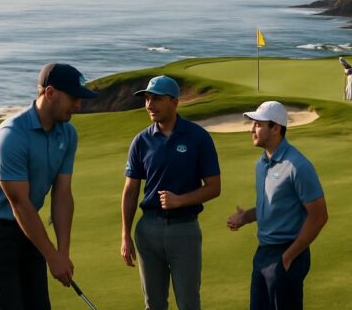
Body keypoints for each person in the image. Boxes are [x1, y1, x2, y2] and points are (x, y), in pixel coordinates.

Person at [0, 63, 97, 309]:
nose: (79, 105)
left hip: (26, 225)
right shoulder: (12, 135)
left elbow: (62, 195)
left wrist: (62, 253)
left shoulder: (68, 134)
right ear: (49, 93)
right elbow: (19, 203)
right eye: (73, 98)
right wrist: (51, 256)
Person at [121, 75, 221, 310]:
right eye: (147, 99)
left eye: (156, 99)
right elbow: (130, 190)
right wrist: (125, 234)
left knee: (188, 303)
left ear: (174, 102)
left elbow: (214, 187)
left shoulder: (198, 137)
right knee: (153, 304)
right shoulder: (141, 141)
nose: (149, 105)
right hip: (148, 230)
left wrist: (180, 201)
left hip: (184, 230)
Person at [226, 101, 328, 310]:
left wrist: (288, 258)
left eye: (258, 125)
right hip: (263, 252)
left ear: (275, 128)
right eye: (253, 124)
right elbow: (274, 206)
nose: (252, 129)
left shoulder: (297, 165)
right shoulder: (261, 164)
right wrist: (246, 217)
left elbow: (319, 216)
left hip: (287, 252)